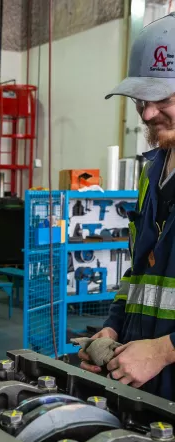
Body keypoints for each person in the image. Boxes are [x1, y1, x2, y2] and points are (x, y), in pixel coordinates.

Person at [80, 13, 175, 397]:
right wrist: (114, 327)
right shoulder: (152, 171)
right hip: (145, 390)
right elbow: (139, 276)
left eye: (163, 99)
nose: (148, 114)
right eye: (140, 100)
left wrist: (165, 351)